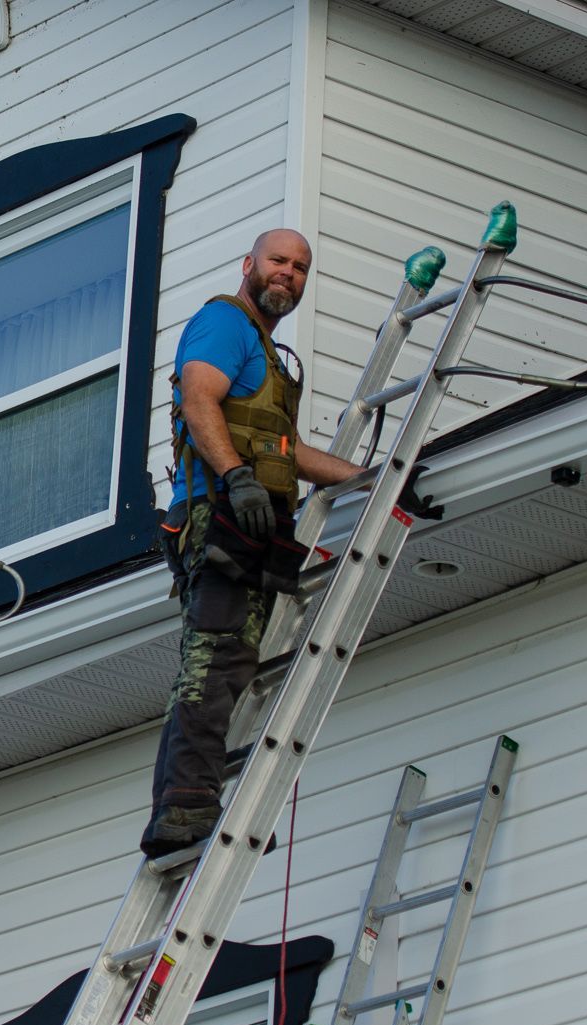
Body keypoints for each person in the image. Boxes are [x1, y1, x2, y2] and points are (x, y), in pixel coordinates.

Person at [141, 230, 439, 858]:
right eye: (278, 261)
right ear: (248, 264)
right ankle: (184, 807)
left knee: (229, 660)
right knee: (214, 657)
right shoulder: (225, 322)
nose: (288, 274)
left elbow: (287, 450)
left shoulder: (268, 355)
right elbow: (198, 400)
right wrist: (236, 477)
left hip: (250, 519)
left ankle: (186, 804)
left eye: (300, 268)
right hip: (220, 512)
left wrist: (374, 481)